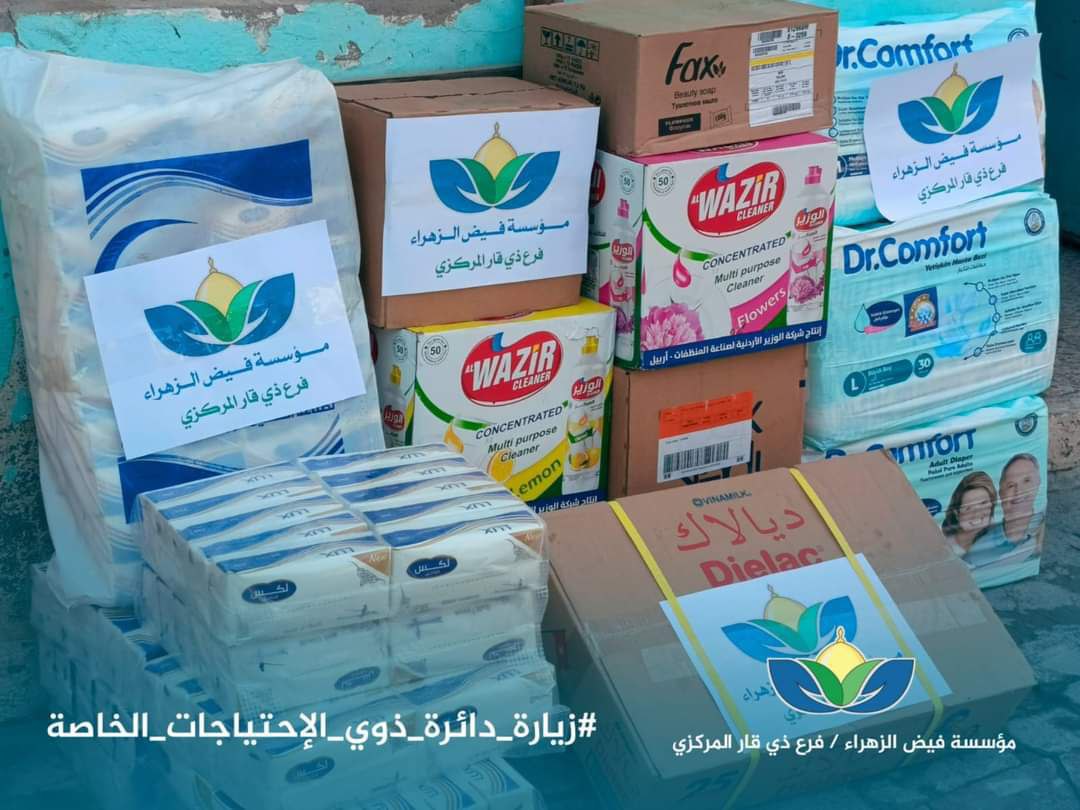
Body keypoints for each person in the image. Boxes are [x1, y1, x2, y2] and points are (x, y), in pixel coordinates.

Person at [966, 454, 1044, 566]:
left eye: (1027, 481)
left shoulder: (1042, 525)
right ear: (1001, 494)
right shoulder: (978, 552)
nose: (1019, 492)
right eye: (1011, 486)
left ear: (1038, 483)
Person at [941, 472, 997, 557]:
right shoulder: (944, 547)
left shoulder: (996, 538)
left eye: (983, 503)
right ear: (956, 513)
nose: (977, 513)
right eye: (968, 508)